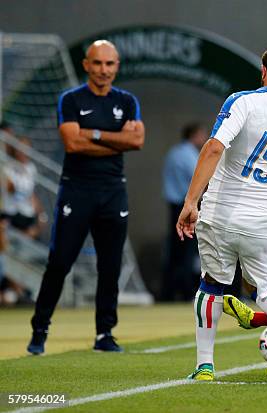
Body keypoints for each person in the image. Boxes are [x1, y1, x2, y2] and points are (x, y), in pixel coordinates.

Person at [176, 43, 267, 382]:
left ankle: (205, 365)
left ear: (263, 72)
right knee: (265, 287)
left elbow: (213, 147)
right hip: (264, 220)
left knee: (211, 285)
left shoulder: (243, 102)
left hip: (222, 212)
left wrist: (190, 201)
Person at [27, 40, 145, 355]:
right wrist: (116, 139)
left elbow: (137, 142)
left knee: (110, 266)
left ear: (117, 65)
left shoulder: (128, 101)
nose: (103, 70)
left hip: (112, 191)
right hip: (76, 190)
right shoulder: (71, 99)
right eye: (97, 64)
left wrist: (91, 133)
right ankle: (40, 329)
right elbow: (72, 145)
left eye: (109, 64)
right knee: (60, 262)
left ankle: (104, 333)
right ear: (86, 65)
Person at [161, 122, 207, 301]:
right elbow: (200, 179)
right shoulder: (190, 155)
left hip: (173, 204)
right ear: (194, 135)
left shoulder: (173, 153)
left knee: (174, 251)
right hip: (186, 206)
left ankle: (169, 292)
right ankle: (187, 291)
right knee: (188, 251)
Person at [2, 137, 46, 239]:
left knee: (33, 232)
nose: (22, 151)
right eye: (20, 148)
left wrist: (41, 215)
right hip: (10, 211)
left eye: (26, 148)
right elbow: (10, 189)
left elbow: (31, 194)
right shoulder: (8, 166)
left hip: (26, 214)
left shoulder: (31, 168)